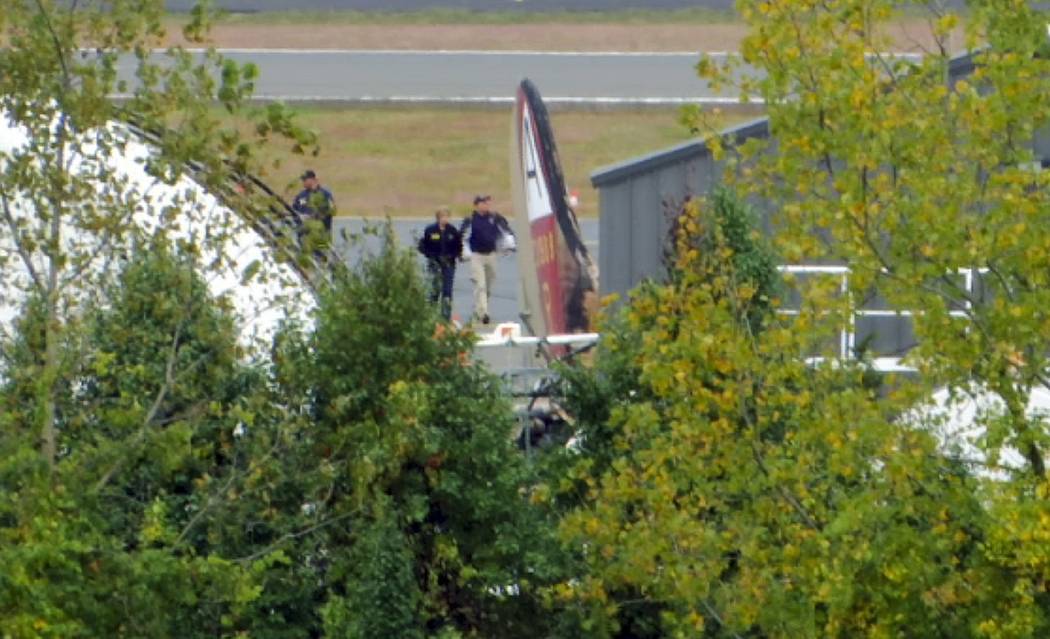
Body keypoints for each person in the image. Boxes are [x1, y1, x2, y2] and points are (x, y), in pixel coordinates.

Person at [459, 195, 514, 325]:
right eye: (483, 203)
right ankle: (484, 313)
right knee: (480, 285)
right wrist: (463, 252)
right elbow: (461, 236)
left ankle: (480, 309)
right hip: (477, 256)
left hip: (492, 255)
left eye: (487, 202)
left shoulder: (495, 218)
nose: (486, 205)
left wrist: (509, 244)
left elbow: (506, 231)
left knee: (488, 287)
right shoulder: (470, 220)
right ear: (477, 205)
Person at [417, 206, 463, 321]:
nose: (445, 219)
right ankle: (431, 314)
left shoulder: (453, 231)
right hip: (434, 263)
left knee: (447, 291)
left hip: (449, 264)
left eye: (447, 216)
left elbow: (458, 247)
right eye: (442, 216)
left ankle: (446, 317)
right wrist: (430, 255)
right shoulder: (430, 230)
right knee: (434, 289)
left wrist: (453, 255)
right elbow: (423, 246)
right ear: (438, 217)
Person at [292, 169, 335, 252]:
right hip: (304, 236)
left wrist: (313, 217)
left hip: (320, 235)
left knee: (321, 258)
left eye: (305, 180)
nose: (303, 182)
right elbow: (294, 211)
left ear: (313, 180)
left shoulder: (325, 194)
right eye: (303, 180)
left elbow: (330, 211)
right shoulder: (300, 196)